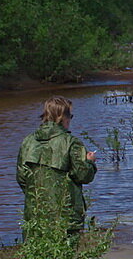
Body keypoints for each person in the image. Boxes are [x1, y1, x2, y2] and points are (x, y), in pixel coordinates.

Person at [17, 96, 97, 235]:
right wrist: (89, 162)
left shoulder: (28, 141)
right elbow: (83, 175)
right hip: (66, 216)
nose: (70, 120)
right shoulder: (71, 142)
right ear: (63, 117)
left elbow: (22, 178)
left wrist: (40, 197)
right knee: (66, 253)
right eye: (70, 116)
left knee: (37, 253)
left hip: (35, 213)